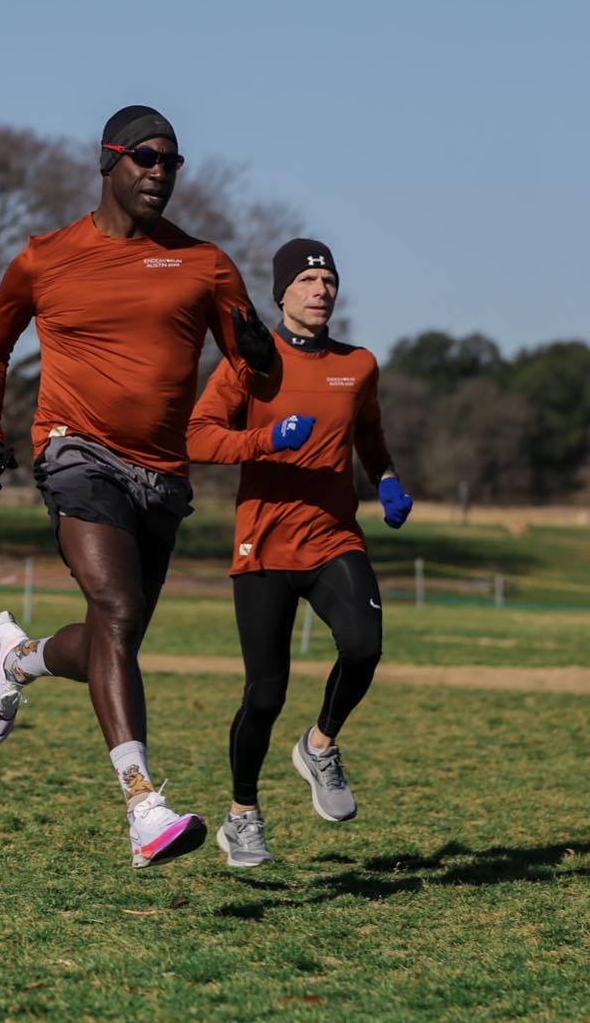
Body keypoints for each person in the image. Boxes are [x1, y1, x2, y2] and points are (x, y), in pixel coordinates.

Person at [0, 104, 282, 869]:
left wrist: (260, 356)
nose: (160, 174)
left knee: (117, 637)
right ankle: (143, 805)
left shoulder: (204, 264)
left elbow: (257, 378)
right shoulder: (47, 257)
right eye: (146, 158)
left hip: (163, 475)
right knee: (117, 606)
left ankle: (18, 659)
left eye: (172, 162)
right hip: (77, 451)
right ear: (108, 161)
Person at [186, 238, 413, 867]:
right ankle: (242, 816)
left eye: (329, 281)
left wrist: (386, 476)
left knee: (364, 644)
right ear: (282, 292)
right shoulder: (248, 363)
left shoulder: (359, 364)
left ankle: (319, 745)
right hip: (264, 543)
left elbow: (369, 432)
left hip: (334, 534)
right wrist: (266, 440)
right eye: (308, 281)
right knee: (264, 694)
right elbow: (197, 437)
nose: (321, 290)